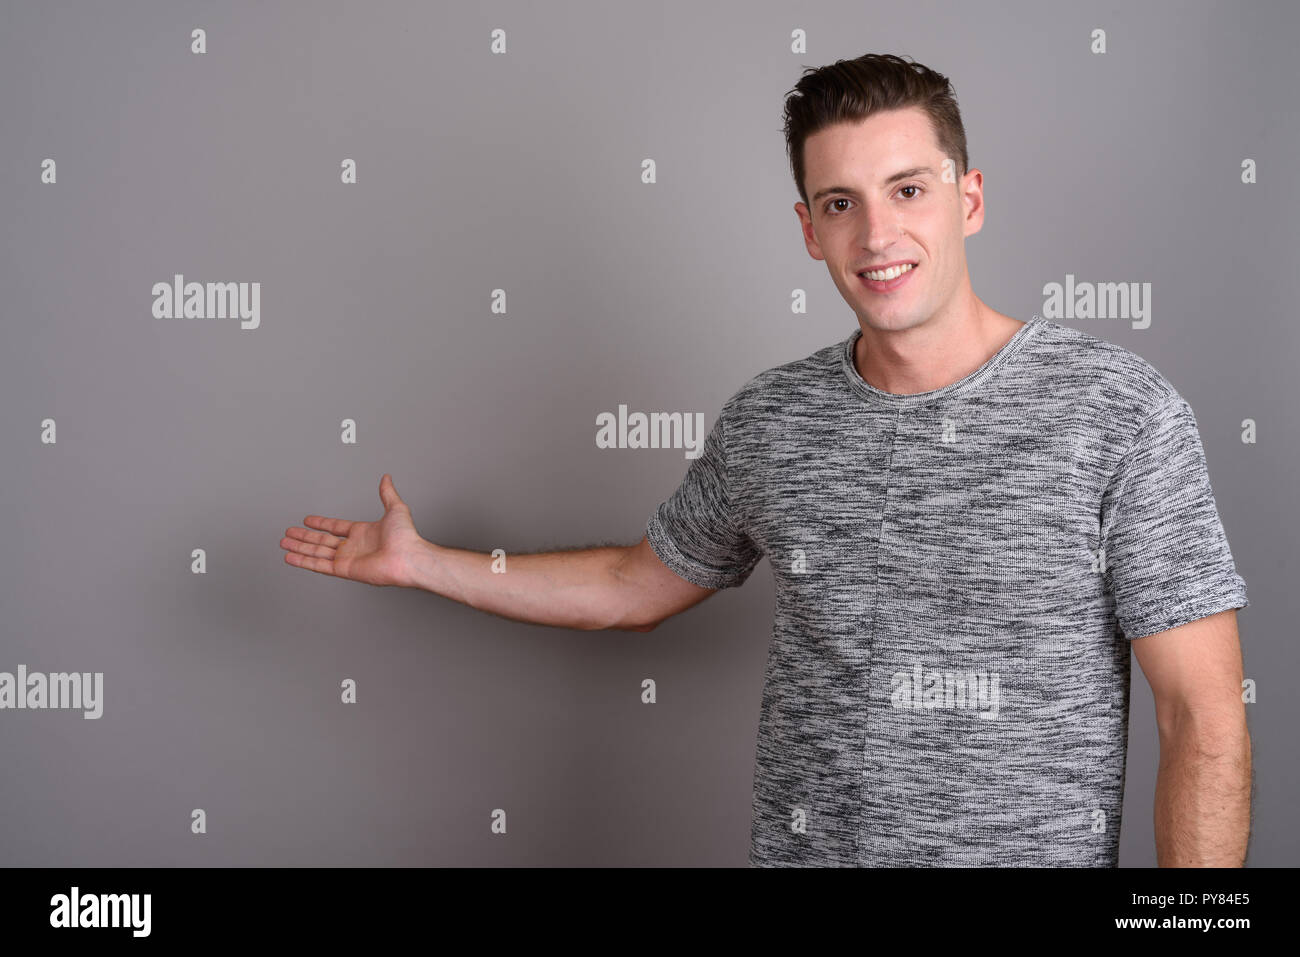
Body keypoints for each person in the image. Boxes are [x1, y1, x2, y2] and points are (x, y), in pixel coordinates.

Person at [280, 53, 1251, 868]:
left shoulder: (1117, 413)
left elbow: (1199, 720)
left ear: (970, 199)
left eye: (908, 190)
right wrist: (426, 563)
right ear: (808, 229)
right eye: (840, 203)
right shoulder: (772, 418)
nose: (878, 235)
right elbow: (634, 583)